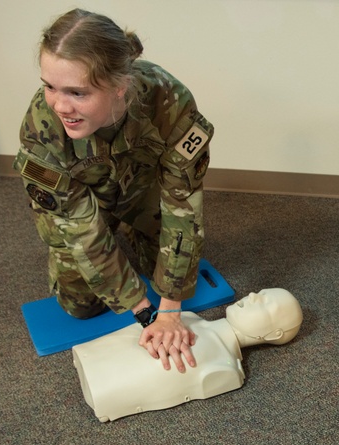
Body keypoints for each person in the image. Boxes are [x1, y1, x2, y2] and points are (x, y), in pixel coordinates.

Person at [14, 8, 214, 372]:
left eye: (77, 91)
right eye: (49, 86)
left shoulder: (168, 102)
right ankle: (114, 239)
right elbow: (81, 230)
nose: (60, 105)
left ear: (119, 86)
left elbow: (182, 205)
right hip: (81, 205)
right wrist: (144, 313)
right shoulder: (42, 127)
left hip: (141, 190)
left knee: (177, 280)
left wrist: (169, 309)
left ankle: (134, 235)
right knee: (82, 306)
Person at [72, 289, 302, 422]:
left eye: (264, 303)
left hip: (103, 392)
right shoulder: (189, 316)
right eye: (260, 293)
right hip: (88, 355)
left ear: (274, 333)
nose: (251, 295)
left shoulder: (224, 368)